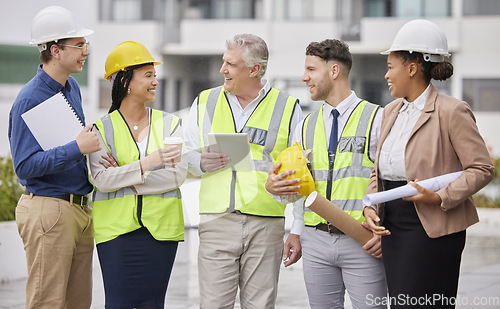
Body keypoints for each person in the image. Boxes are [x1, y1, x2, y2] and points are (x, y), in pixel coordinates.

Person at [363, 19, 494, 309]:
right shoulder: (390, 111)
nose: (386, 74)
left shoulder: (452, 111)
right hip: (393, 225)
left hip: (433, 229)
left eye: (390, 66)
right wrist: (370, 205)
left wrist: (438, 196)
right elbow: (379, 168)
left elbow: (482, 169)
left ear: (411, 68)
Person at [266, 39, 387, 308]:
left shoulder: (376, 118)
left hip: (362, 240)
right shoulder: (305, 126)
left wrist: (385, 232)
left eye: (311, 69)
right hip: (315, 242)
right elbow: (301, 189)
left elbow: (390, 180)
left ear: (334, 71)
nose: (304, 77)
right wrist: (295, 230)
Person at [185, 33, 303, 308]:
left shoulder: (287, 107)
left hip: (266, 225)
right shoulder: (205, 101)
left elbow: (299, 174)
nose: (222, 70)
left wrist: (297, 229)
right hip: (217, 222)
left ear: (254, 69)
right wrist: (201, 162)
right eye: (223, 62)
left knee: (260, 305)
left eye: (230, 64)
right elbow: (185, 157)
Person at [8, 6, 99, 309]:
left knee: (78, 304)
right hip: (50, 210)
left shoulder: (70, 87)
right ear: (56, 50)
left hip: (78, 210)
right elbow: (24, 167)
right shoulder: (29, 99)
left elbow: (72, 144)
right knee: (47, 303)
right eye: (80, 45)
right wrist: (77, 148)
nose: (86, 52)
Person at [88, 41, 187, 309]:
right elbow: (102, 180)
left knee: (153, 304)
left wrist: (127, 176)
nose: (155, 81)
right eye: (148, 75)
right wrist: (147, 164)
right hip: (116, 234)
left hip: (161, 232)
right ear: (125, 81)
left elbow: (177, 175)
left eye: (154, 75)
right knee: (118, 304)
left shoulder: (171, 124)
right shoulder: (101, 129)